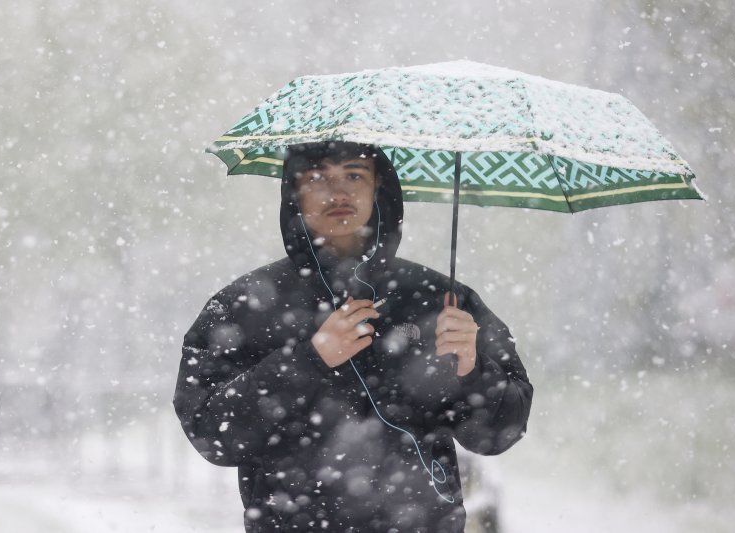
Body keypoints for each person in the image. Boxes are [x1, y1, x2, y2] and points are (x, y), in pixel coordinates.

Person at [173, 141, 533, 532]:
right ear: (293, 193)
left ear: (379, 187)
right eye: (317, 177)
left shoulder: (440, 300)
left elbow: (498, 434)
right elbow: (212, 433)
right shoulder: (244, 306)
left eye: (354, 175)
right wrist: (308, 360)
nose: (338, 192)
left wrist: (473, 370)